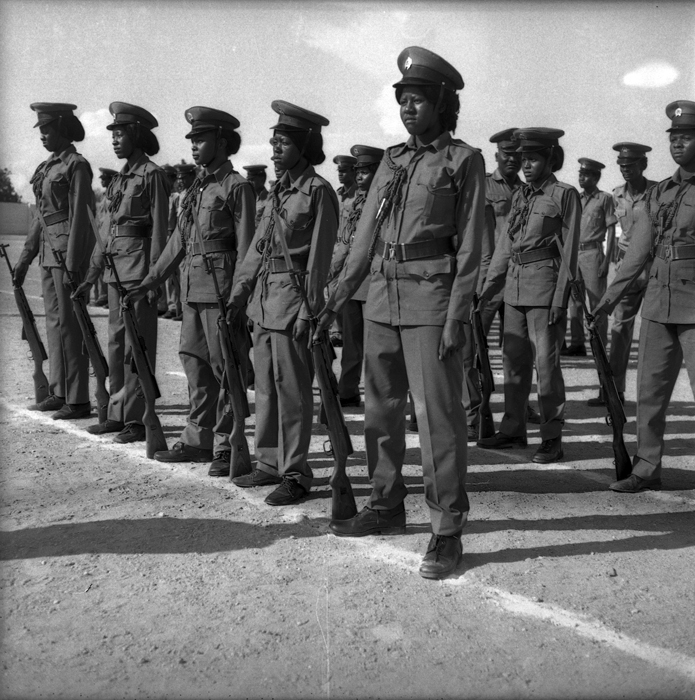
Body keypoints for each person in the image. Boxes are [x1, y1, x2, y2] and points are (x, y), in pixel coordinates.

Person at [316, 46, 485, 580]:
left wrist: (458, 315)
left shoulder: (463, 161)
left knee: (438, 420)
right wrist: (337, 295)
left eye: (417, 99)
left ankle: (447, 529)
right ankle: (387, 504)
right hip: (382, 299)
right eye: (402, 100)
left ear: (440, 102)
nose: (408, 108)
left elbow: (474, 245)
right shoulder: (390, 160)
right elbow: (364, 234)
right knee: (380, 411)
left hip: (432, 300)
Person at [127, 106, 255, 475]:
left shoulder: (237, 187)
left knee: (225, 368)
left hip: (222, 291)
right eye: (192, 140)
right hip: (193, 290)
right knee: (195, 366)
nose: (195, 146)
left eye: (200, 139)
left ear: (221, 141)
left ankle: (226, 445)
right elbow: (177, 242)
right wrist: (150, 281)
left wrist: (238, 297)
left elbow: (245, 247)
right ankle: (198, 440)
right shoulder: (197, 188)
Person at [227, 100, 339, 506]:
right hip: (263, 303)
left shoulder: (318, 192)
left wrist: (311, 310)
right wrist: (238, 295)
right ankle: (269, 463)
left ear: (303, 145)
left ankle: (296, 473)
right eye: (273, 141)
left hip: (293, 305)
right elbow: (256, 252)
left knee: (292, 393)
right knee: (268, 391)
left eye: (283, 142)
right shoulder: (278, 193)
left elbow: (320, 260)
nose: (274, 149)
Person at [593, 100, 695, 493]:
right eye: (675, 138)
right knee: (649, 395)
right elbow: (637, 252)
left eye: (686, 137)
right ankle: (646, 467)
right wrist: (605, 301)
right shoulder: (661, 194)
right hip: (656, 305)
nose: (678, 144)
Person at [477, 128, 581, 464]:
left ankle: (552, 437)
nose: (526, 165)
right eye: (523, 159)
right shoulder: (521, 196)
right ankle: (513, 429)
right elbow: (505, 248)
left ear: (550, 159)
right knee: (514, 364)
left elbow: (570, 251)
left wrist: (560, 298)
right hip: (514, 289)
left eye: (533, 159)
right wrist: (486, 291)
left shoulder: (564, 195)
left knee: (546, 367)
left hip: (545, 291)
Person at [74, 102, 171, 444]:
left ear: (135, 135)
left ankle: (139, 418)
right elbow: (106, 230)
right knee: (116, 345)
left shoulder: (153, 176)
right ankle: (117, 413)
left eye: (120, 133)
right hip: (116, 272)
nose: (114, 140)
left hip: (139, 274)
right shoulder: (119, 182)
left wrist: (154, 280)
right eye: (112, 133)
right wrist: (91, 275)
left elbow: (161, 231)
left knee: (136, 348)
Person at [13, 103, 95, 419]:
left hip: (65, 256)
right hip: (49, 254)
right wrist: (25, 258)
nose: (43, 135)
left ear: (61, 128)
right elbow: (40, 218)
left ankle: (77, 399)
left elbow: (80, 219)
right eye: (41, 130)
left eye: (47, 129)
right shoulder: (47, 167)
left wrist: (74, 264)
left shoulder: (76, 165)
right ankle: (59, 391)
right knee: (54, 325)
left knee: (71, 327)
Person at [326, 144, 384, 408]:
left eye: (364, 172)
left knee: (378, 347)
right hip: (350, 280)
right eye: (357, 172)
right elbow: (341, 241)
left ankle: (378, 395)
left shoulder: (384, 202)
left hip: (373, 281)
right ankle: (348, 390)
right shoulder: (349, 202)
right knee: (351, 343)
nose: (359, 176)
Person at [603, 143, 656, 405]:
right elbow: (615, 231)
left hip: (652, 267)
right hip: (625, 268)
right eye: (622, 166)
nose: (626, 169)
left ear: (643, 165)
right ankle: (614, 391)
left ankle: (649, 396)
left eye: (631, 165)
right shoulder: (617, 195)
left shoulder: (657, 193)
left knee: (652, 332)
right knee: (619, 330)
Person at [564, 158, 616, 368]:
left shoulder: (605, 199)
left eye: (585, 174)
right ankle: (577, 344)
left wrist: (607, 260)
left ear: (595, 177)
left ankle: (600, 344)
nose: (581, 177)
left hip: (593, 253)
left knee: (596, 302)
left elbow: (611, 229)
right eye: (580, 174)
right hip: (575, 254)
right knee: (574, 302)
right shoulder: (575, 198)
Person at [330, 155, 358, 347]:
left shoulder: (359, 197)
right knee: (331, 289)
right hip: (336, 247)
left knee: (343, 289)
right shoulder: (339, 196)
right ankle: (336, 330)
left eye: (344, 170)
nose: (340, 174)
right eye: (339, 171)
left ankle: (342, 330)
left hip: (351, 249)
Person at [91, 168, 118, 307]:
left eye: (104, 178)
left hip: (109, 235)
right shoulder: (103, 196)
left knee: (109, 266)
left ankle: (108, 297)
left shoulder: (113, 196)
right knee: (100, 266)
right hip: (101, 233)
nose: (101, 180)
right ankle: (102, 295)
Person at [242, 164, 269, 229]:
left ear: (262, 180)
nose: (249, 182)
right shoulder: (246, 198)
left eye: (252, 180)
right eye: (248, 180)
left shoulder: (269, 199)